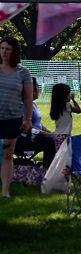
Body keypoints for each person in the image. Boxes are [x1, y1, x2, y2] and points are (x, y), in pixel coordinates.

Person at [1, 37, 33, 198]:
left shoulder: (23, 72)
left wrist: (28, 119)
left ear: (14, 51)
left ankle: (5, 191)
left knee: (7, 155)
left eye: (7, 48)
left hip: (12, 118)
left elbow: (28, 97)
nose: (4, 51)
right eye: (2, 48)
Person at [13, 78, 58, 168]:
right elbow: (28, 128)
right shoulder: (23, 106)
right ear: (31, 91)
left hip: (34, 136)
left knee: (54, 138)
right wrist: (48, 135)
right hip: (24, 140)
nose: (39, 90)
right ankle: (49, 169)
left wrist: (51, 133)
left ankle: (54, 167)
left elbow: (39, 124)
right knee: (50, 141)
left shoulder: (33, 104)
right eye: (37, 87)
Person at [49, 82, 81, 153]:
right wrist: (73, 99)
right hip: (64, 135)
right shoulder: (67, 106)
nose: (70, 95)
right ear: (64, 96)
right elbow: (78, 110)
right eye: (69, 94)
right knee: (64, 157)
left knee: (59, 155)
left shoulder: (56, 106)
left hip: (58, 135)